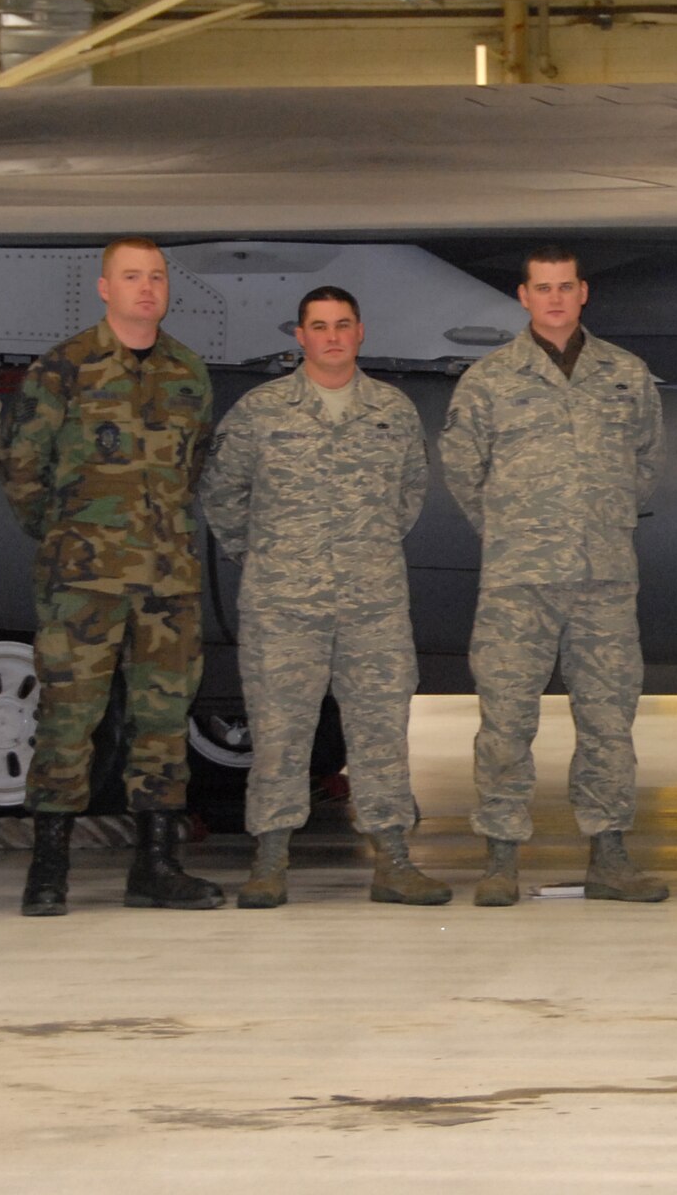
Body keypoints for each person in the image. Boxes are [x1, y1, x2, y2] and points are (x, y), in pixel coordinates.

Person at [200, 286, 445, 909]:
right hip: (284, 606)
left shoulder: (392, 411)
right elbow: (223, 497)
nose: (332, 336)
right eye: (319, 326)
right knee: (279, 733)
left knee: (381, 732)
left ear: (360, 333)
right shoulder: (261, 412)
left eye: (343, 325)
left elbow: (409, 496)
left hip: (373, 603)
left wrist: (364, 551)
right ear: (300, 336)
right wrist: (267, 558)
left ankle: (393, 860)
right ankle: (270, 861)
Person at [440, 245, 668, 907]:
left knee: (608, 721)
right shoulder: (488, 380)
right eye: (544, 288)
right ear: (524, 296)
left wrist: (601, 518)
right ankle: (501, 857)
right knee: (506, 721)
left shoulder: (625, 374)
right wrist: (515, 530)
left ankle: (610, 856)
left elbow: (646, 463)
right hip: (519, 585)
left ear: (583, 292)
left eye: (566, 287)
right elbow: (463, 469)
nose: (556, 299)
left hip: (604, 582)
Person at [1, 236, 221, 915]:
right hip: (84, 585)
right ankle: (48, 871)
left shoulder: (187, 370)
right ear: (104, 287)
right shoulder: (64, 369)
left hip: (167, 583)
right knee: (68, 722)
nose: (146, 288)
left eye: (156, 277)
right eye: (131, 277)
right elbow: (22, 474)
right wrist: (74, 538)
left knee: (162, 724)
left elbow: (194, 464)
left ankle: (155, 867)